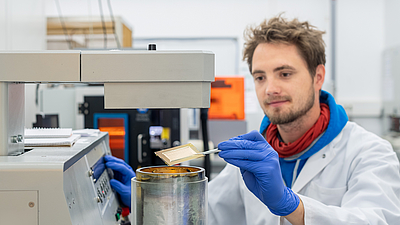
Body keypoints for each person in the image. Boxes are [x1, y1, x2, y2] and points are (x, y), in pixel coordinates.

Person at [105, 15, 400, 224]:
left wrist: (292, 206)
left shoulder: (367, 152)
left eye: (285, 73)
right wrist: (148, 198)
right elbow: (206, 213)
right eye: (260, 77)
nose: (270, 88)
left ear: (317, 77)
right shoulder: (253, 156)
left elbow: (377, 220)